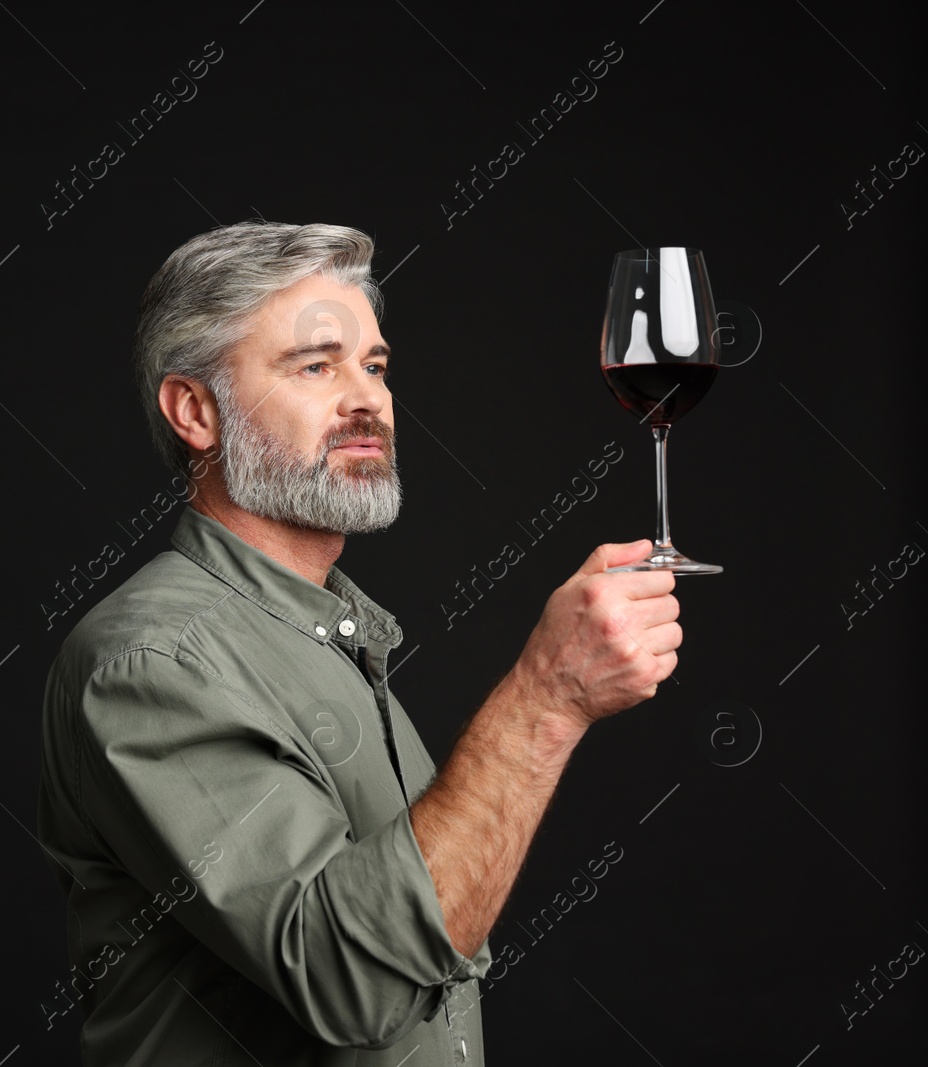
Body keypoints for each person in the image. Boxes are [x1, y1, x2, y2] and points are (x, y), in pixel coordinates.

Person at [35, 221, 681, 1065]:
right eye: (315, 364)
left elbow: (430, 941)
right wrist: (547, 697)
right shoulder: (153, 663)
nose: (368, 397)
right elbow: (355, 977)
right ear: (196, 412)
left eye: (374, 365)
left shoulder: (324, 633)